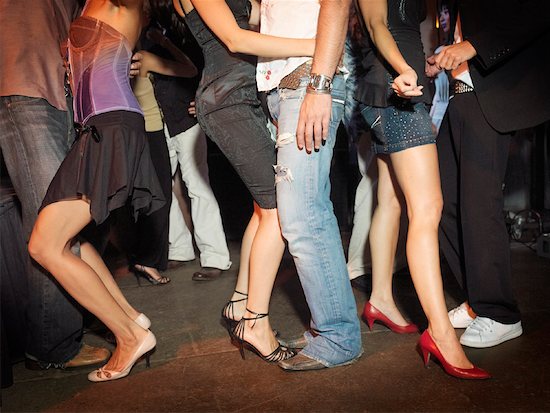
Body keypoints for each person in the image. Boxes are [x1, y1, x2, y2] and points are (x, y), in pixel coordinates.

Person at [28, 0, 166, 382]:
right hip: (95, 130)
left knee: (45, 245)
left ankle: (130, 335)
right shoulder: (89, 4)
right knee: (72, 240)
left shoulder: (121, 4)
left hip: (113, 126)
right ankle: (130, 319)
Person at [173, 0, 315, 362]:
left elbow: (258, 14)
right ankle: (255, 322)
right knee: (278, 210)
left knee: (264, 208)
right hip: (228, 100)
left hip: (241, 95)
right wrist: (313, 45)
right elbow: (235, 39)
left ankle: (240, 304)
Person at [353, 0, 489, 379]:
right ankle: (441, 333)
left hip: (397, 87)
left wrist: (423, 63)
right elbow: (377, 25)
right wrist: (405, 68)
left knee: (391, 201)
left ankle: (380, 298)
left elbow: (405, 28)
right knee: (427, 209)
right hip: (397, 91)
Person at [427, 0, 550, 348]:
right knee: (441, 202)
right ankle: (478, 300)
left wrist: (473, 46)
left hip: (492, 95)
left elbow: (536, 11)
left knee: (479, 206)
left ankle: (501, 314)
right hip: (461, 94)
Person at [0, 0, 111, 371]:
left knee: (64, 219)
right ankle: (52, 345)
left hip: (56, 93)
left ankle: (72, 322)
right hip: (20, 85)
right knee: (49, 223)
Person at [256, 0, 363, 371]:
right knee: (302, 211)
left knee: (303, 213)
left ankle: (339, 336)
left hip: (309, 80)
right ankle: (326, 326)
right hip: (290, 85)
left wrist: (319, 85)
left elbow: (336, 4)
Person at [141, 6, 232, 280]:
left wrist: (202, 98)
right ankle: (179, 249)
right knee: (162, 189)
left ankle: (215, 256)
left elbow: (200, 67)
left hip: (185, 119)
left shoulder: (179, 29)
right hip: (155, 124)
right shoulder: (135, 37)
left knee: (197, 185)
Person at [129, 22, 199, 286]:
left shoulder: (114, 57)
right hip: (149, 131)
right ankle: (146, 260)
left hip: (129, 132)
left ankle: (145, 258)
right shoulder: (142, 57)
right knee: (159, 197)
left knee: (144, 196)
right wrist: (165, 43)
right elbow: (189, 69)